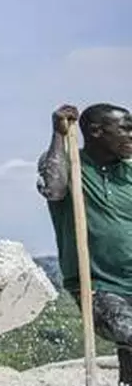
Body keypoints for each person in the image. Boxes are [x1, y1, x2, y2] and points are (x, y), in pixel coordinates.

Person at [37, 103, 132, 386]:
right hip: (99, 286)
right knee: (127, 332)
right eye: (125, 128)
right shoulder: (70, 165)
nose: (131, 135)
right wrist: (58, 134)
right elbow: (53, 188)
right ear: (96, 131)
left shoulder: (128, 174)